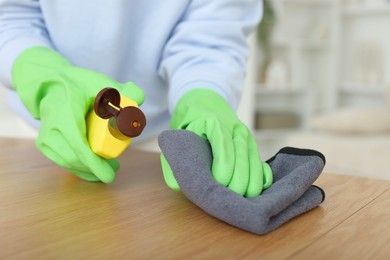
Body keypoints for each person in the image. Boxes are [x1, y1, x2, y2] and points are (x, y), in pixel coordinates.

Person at [0, 0, 272, 197]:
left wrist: (202, 97)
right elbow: (10, 16)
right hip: (45, 127)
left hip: (160, 142)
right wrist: (46, 77)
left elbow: (212, 31)